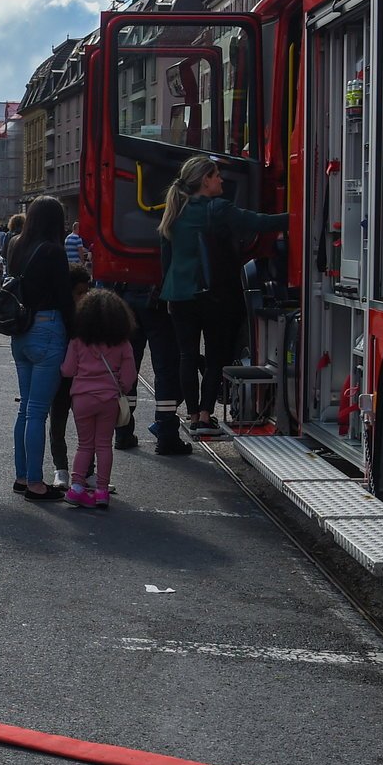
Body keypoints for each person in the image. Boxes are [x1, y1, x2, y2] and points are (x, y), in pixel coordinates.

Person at [159, 155, 290, 435]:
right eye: (216, 175)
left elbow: (165, 260)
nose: (220, 180)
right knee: (216, 355)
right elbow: (257, 222)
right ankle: (205, 415)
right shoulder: (217, 208)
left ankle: (192, 414)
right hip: (212, 294)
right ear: (205, 180)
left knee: (187, 355)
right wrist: (299, 217)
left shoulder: (174, 211)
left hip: (179, 295)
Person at [6, 195, 75, 500]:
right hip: (48, 328)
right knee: (37, 411)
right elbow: (64, 298)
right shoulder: (53, 251)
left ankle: (22, 476)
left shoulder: (16, 244)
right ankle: (35, 481)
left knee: (26, 409)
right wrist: (76, 335)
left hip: (20, 331)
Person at [62, 287, 136, 510]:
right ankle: (102, 491)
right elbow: (129, 376)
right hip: (108, 398)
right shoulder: (123, 343)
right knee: (104, 444)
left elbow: (67, 370)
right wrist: (119, 386)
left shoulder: (77, 341)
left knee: (84, 445)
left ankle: (76, 487)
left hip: (82, 397)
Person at [48, 266, 94, 486]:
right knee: (58, 421)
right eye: (79, 293)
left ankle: (87, 470)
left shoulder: (91, 317)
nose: (84, 297)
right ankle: (61, 468)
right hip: (61, 377)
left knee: (87, 425)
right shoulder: (59, 317)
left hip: (84, 378)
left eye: (87, 292)